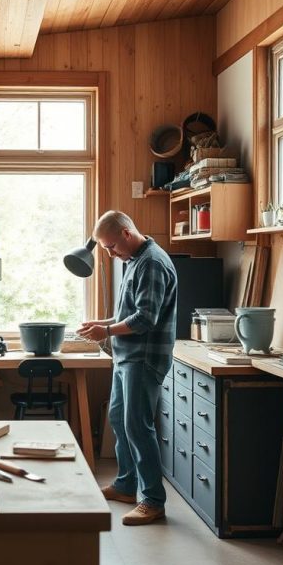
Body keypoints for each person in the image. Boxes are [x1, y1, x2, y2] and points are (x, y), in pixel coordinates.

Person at [76, 210, 177, 526]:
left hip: (143, 359)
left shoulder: (152, 264)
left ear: (126, 234)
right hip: (126, 357)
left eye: (110, 247)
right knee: (118, 419)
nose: (109, 254)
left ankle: (153, 501)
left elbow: (145, 320)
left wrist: (105, 332)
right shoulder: (134, 261)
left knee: (137, 425)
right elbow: (128, 313)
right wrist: (102, 323)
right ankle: (125, 485)